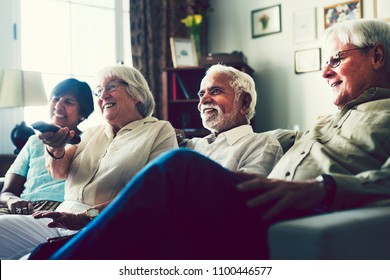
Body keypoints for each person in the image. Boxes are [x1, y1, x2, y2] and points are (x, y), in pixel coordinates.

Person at [42, 19, 390, 260]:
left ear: (376, 56)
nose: (326, 71)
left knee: (180, 167)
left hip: (298, 212)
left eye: (336, 59)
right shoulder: (327, 122)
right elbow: (282, 138)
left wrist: (323, 188)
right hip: (263, 205)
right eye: (201, 94)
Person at [0, 65, 178, 259]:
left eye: (111, 87)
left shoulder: (159, 130)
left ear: (137, 94)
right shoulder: (92, 133)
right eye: (99, 92)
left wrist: (85, 217)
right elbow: (59, 172)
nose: (103, 96)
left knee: (35, 260)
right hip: (59, 219)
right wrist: (55, 148)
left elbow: (151, 194)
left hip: (103, 224)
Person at [0, 78, 94, 215]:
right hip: (23, 208)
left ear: (82, 114)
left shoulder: (91, 140)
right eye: (55, 99)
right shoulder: (34, 141)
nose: (58, 105)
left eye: (68, 102)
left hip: (63, 209)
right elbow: (7, 191)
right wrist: (12, 201)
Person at [182, 64, 282, 176]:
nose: (203, 101)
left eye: (215, 91)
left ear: (244, 102)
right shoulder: (191, 144)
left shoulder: (262, 144)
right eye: (201, 94)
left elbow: (243, 190)